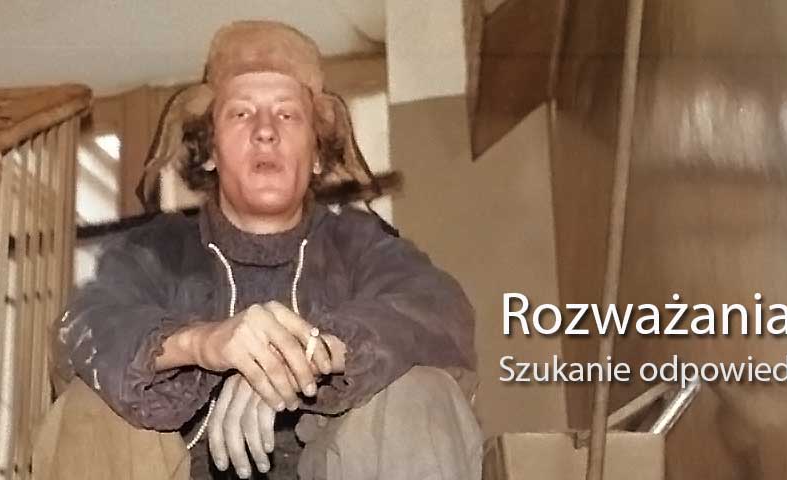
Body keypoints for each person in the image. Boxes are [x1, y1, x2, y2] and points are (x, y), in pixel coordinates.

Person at [36, 20, 482, 480]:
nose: (265, 131)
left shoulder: (364, 245)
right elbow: (82, 330)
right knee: (88, 407)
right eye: (241, 113)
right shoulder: (154, 250)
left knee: (421, 392)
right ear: (210, 151)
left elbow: (439, 312)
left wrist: (303, 353)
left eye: (287, 114)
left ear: (317, 154)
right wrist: (203, 343)